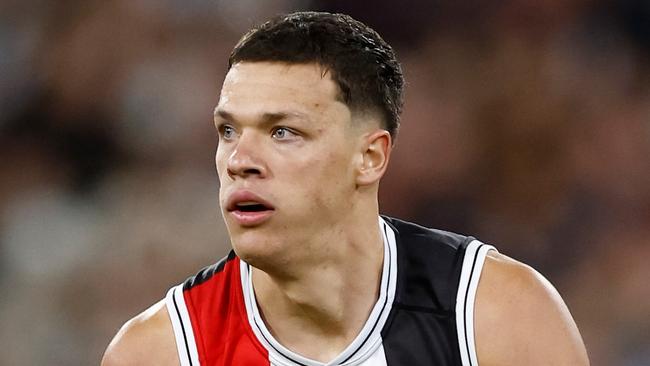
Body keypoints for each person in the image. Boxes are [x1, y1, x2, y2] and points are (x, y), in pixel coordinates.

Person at [101, 11, 589, 366]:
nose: (239, 162)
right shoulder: (161, 351)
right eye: (228, 131)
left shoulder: (494, 316)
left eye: (282, 132)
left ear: (370, 156)